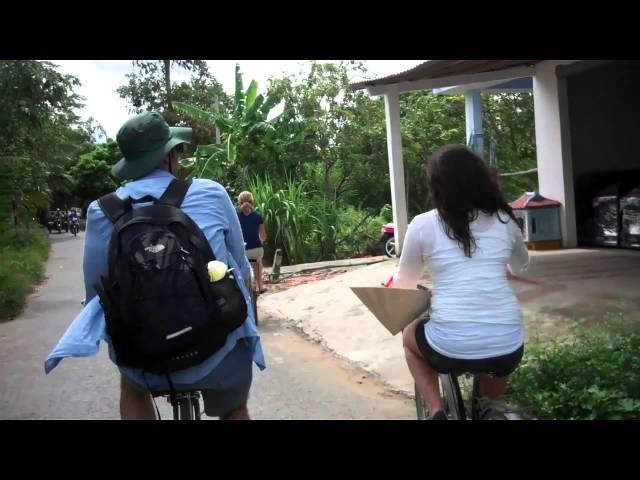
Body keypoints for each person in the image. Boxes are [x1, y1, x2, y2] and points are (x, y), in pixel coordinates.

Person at [45, 112, 265, 420]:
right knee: (234, 408)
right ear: (171, 155)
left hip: (145, 357)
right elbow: (240, 266)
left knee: (131, 385)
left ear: (130, 161)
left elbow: (96, 290)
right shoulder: (211, 192)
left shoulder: (102, 210)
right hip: (218, 348)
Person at [393, 145, 529, 420]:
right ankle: (491, 410)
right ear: (482, 179)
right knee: (498, 355)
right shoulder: (506, 219)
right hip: (508, 344)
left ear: (438, 186)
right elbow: (522, 266)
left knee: (409, 338)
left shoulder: (422, 225)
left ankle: (436, 411)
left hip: (447, 346)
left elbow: (404, 285)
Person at [236, 191, 268, 294]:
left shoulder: (236, 216)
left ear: (239, 201)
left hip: (243, 250)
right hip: (256, 249)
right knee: (258, 261)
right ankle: (260, 287)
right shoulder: (258, 216)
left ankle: (245, 288)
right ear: (252, 201)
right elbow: (263, 237)